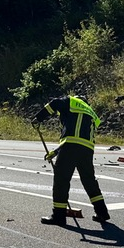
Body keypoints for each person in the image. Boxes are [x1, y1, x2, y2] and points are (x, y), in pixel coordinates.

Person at [33, 94, 110, 226]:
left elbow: (55, 102)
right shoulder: (92, 113)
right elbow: (78, 136)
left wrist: (38, 118)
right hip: (87, 149)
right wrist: (56, 152)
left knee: (61, 180)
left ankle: (59, 216)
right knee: (89, 181)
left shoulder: (72, 102)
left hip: (70, 147)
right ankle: (102, 212)